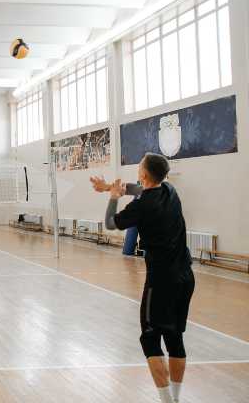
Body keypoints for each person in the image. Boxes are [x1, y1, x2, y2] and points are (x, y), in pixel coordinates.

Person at [90, 153, 195, 403]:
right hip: (185, 276)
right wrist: (108, 187)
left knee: (149, 338)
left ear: (144, 174)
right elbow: (139, 189)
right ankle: (176, 399)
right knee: (175, 338)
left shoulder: (141, 206)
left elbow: (110, 223)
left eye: (139, 166)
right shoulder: (170, 191)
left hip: (160, 281)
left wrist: (113, 198)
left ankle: (167, 401)